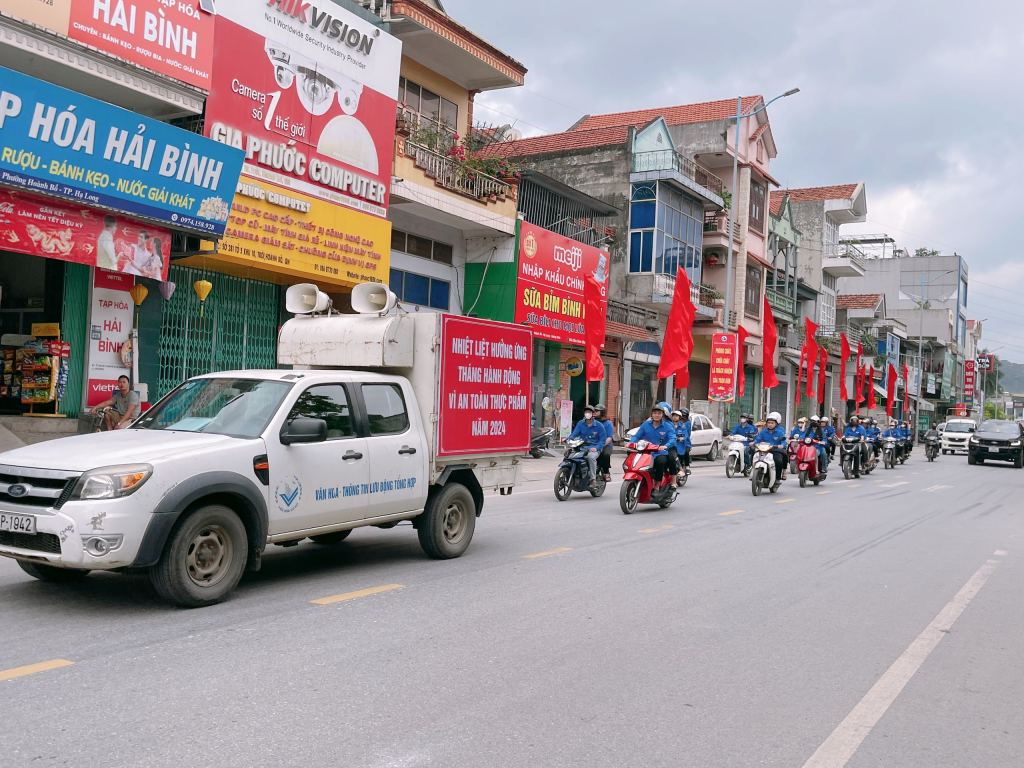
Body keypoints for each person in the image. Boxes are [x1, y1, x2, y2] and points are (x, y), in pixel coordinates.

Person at [634, 403, 674, 485]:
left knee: (660, 462)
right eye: (655, 413)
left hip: (660, 452)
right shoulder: (645, 424)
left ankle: (657, 485)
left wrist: (666, 446)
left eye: (659, 413)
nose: (657, 415)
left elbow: (672, 439)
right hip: (646, 452)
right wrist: (630, 443)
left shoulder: (668, 426)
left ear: (662, 415)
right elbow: (637, 436)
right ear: (651, 414)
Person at [568, 405, 605, 487]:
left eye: (589, 412)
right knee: (570, 455)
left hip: (594, 447)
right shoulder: (581, 423)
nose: (587, 414)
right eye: (586, 412)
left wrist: (596, 448)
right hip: (582, 447)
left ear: (593, 414)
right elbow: (574, 434)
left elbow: (603, 440)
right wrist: (568, 439)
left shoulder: (599, 425)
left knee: (591, 457)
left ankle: (593, 479)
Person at [753, 411, 788, 480]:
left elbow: (784, 441)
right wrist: (753, 442)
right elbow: (759, 438)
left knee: (778, 461)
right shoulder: (764, 431)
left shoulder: (780, 432)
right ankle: (754, 474)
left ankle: (777, 478)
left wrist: (781, 445)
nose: (770, 425)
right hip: (765, 450)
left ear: (776, 424)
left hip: (775, 450)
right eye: (768, 423)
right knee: (755, 457)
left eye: (772, 423)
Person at [671, 409, 693, 483]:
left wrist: (682, 438)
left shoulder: (683, 426)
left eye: (676, 416)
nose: (675, 417)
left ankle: (687, 467)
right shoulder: (670, 425)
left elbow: (686, 435)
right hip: (674, 443)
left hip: (684, 443)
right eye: (673, 415)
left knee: (686, 452)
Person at [593, 404, 614, 482]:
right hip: (592, 443)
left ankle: (606, 472)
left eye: (597, 411)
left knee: (605, 455)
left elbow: (609, 437)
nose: (594, 412)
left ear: (602, 412)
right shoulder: (590, 421)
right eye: (594, 411)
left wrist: (601, 446)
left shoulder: (607, 423)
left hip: (605, 445)